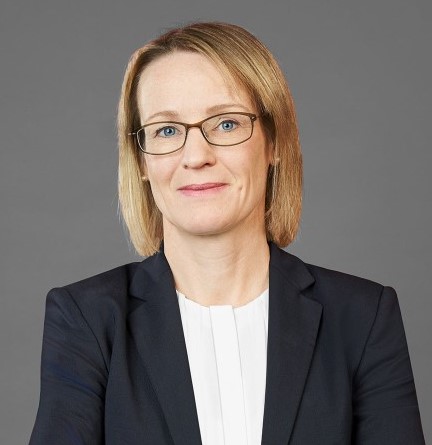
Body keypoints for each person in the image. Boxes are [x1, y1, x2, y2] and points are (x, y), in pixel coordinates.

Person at [29, 22, 425, 445]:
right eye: (166, 130)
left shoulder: (363, 318)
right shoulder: (86, 319)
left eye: (226, 124)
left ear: (274, 142)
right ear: (141, 162)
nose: (196, 156)